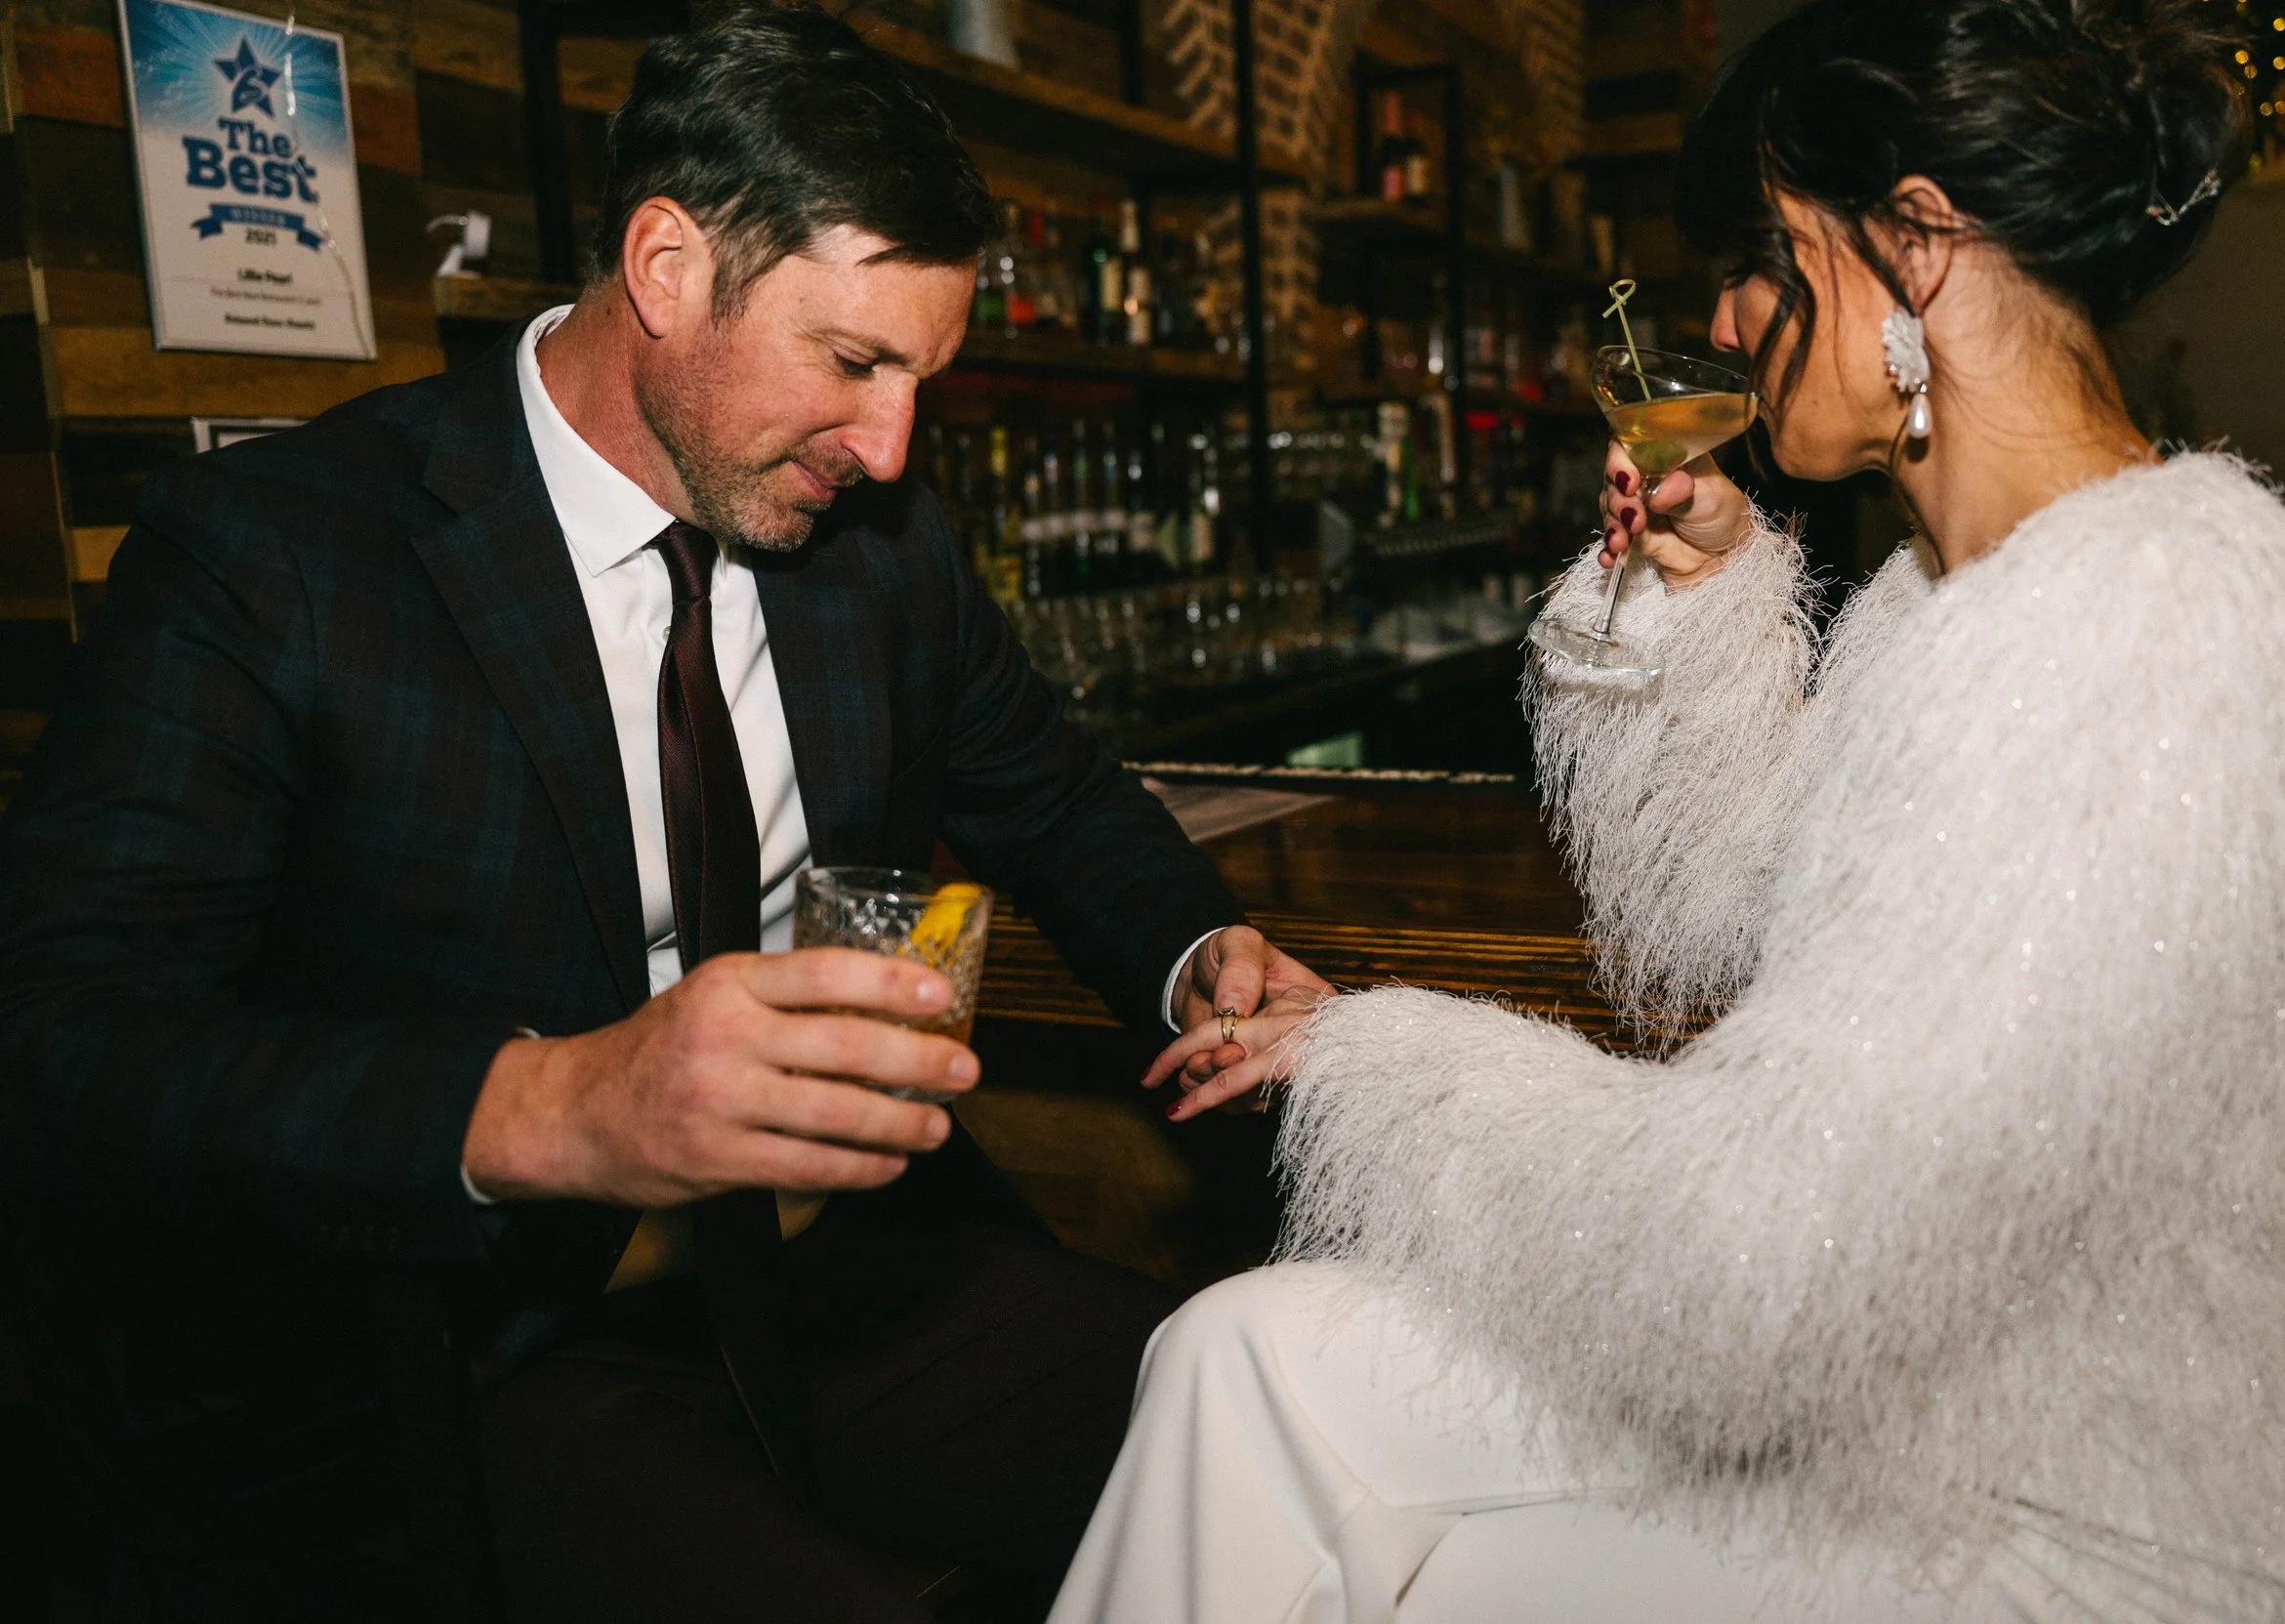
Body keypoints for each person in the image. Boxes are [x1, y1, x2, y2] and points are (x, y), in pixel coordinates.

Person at [1058, 2, 2285, 1619]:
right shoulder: (1958, 590)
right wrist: (1707, 605)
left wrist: (1367, 1058)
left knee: (1437, 1573)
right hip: (1955, 1401)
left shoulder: (2156, 613)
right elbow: (1740, 911)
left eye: (1765, 255)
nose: (1724, 313)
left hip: (2147, 1511)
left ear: (1913, 243)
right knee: (1244, 1354)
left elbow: (1757, 1249)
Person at [0, 8, 1319, 1619]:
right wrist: (558, 1105)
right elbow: (67, 1037)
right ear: (669, 265)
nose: (891, 446)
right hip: (477, 1347)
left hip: (849, 1277)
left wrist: (1201, 960)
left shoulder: (882, 546)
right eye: (852, 363)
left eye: (920, 378)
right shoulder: (275, 556)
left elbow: (1051, 793)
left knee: (1299, 1433)